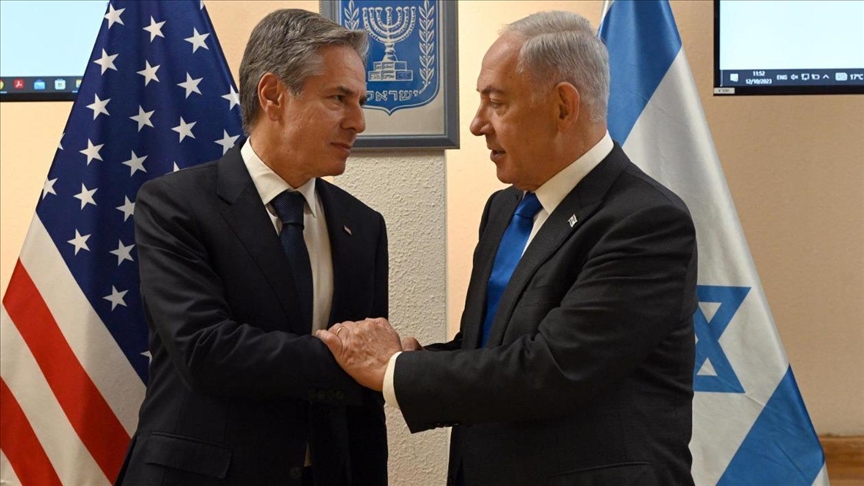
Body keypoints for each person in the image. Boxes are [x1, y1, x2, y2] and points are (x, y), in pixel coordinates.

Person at [317, 11, 697, 486]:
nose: (477, 125)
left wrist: (393, 370)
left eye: (496, 103)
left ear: (563, 106)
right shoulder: (505, 208)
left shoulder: (645, 221)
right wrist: (416, 356)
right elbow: (490, 348)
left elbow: (550, 369)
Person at [116, 9, 388, 486]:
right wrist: (364, 359)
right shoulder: (174, 204)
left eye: (361, 102)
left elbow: (364, 404)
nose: (359, 122)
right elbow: (205, 349)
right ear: (273, 95)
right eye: (339, 98)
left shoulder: (363, 226)